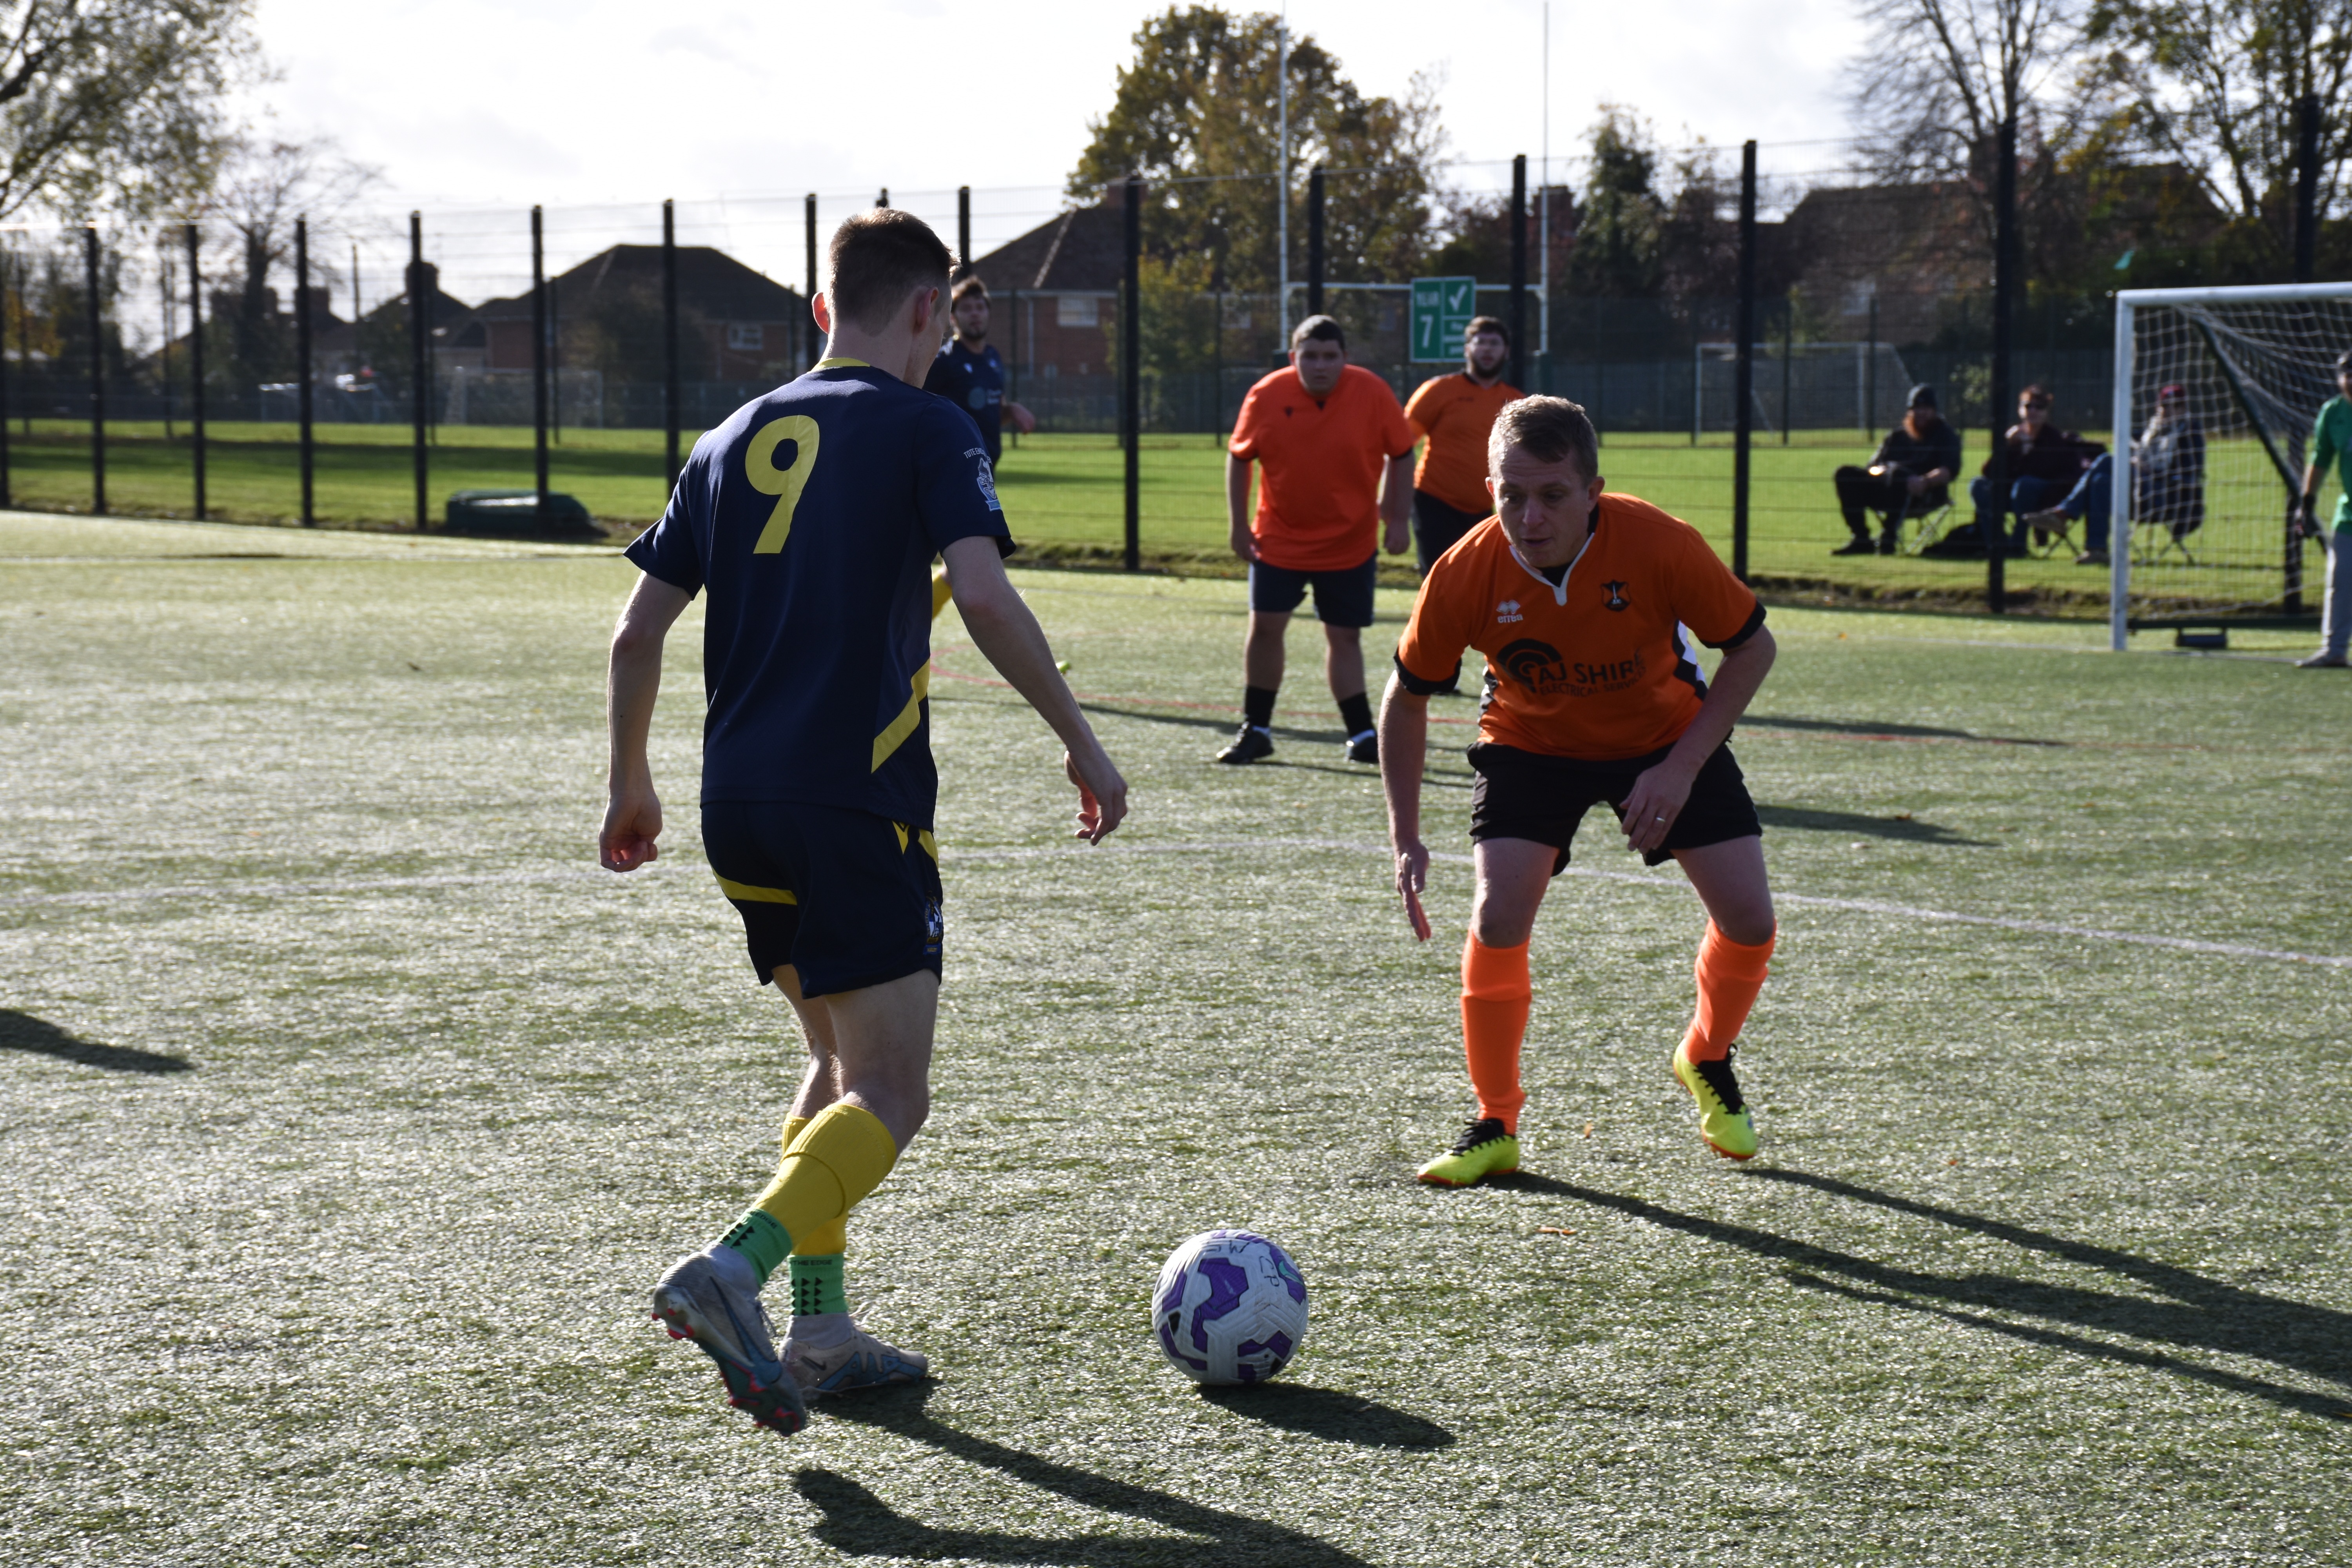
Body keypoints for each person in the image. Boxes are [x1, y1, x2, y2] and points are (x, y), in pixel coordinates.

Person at [601, 208, 1129, 1437]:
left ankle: (824, 1333)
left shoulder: (727, 436)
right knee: (892, 1090)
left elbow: (636, 632)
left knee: (835, 1063)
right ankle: (732, 1267)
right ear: (929, 311)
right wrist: (1080, 738)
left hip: (737, 804)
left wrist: (630, 782)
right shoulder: (929, 423)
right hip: (854, 800)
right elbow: (983, 594)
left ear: (821, 307)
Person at [1379, 395, 1779, 1185]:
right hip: (1531, 743)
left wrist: (1679, 768)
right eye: (1511, 495)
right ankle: (1495, 1121)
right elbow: (1407, 697)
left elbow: (1752, 648)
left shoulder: (1659, 542)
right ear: (1490, 490)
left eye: (1553, 495)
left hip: (1664, 735)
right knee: (1498, 916)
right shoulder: (1464, 569)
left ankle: (1705, 1055)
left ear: (1594, 490)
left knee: (1751, 920)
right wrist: (1405, 835)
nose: (1530, 517)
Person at [1217, 314, 1416, 766]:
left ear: (1346, 357)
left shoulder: (1373, 392)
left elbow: (1403, 453)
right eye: (1310, 356)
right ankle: (1256, 728)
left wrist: (1398, 517)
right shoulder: (1266, 394)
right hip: (1278, 538)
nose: (1320, 365)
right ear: (1294, 358)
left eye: (1330, 356)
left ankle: (1362, 734)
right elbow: (1239, 457)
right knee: (1266, 628)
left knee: (1344, 636)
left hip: (1350, 540)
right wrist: (1238, 525)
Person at [2019, 382, 2204, 567]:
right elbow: (2134, 448)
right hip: (2137, 488)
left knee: (2107, 461)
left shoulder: (2190, 433)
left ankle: (2064, 513)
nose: (2169, 410)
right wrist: (2136, 461)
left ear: (2184, 408)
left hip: (2165, 495)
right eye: (2164, 405)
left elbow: (2190, 473)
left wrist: (2152, 470)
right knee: (2101, 481)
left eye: (2176, 405)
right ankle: (2097, 550)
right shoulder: (2151, 430)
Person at [1404, 316, 1523, 575]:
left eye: (1494, 343)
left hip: (1486, 507)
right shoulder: (1438, 390)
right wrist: (1393, 504)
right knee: (1440, 576)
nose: (1487, 349)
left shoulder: (1516, 401)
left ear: (1506, 351)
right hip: (1434, 502)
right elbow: (1400, 446)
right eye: (1481, 342)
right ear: (1467, 349)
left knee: (1477, 580)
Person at [1960, 384, 2101, 553]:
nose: (2033, 411)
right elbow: (1989, 473)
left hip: (2042, 496)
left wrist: (2028, 449)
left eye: (2039, 407)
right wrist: (2006, 446)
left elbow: (2044, 472)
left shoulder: (2053, 438)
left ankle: (2018, 545)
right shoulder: (2015, 436)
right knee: (1978, 484)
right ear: (2020, 409)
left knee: (2025, 485)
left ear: (2046, 412)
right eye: (2028, 406)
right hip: (2009, 493)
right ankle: (1997, 543)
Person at [1830, 383, 1961, 555]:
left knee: (1899, 475)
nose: (1921, 413)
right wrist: (1883, 471)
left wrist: (1925, 481)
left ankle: (1888, 538)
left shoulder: (1946, 436)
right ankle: (1861, 539)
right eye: (1916, 409)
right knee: (1845, 474)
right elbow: (1873, 467)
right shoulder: (1897, 436)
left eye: (1926, 408)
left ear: (1934, 411)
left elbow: (1948, 471)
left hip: (1924, 495)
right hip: (1885, 490)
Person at [924, 274, 1036, 466]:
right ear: (953, 318)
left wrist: (1011, 410)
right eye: (967, 309)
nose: (975, 314)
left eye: (980, 308)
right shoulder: (944, 362)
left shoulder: (993, 357)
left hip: (987, 468)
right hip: (955, 468)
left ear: (989, 313)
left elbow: (990, 414)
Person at [2294, 350, 2352, 668]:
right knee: (2340, 579)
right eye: (2347, 375)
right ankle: (2335, 650)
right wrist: (2307, 505)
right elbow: (2321, 459)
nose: (2350, 381)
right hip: (2350, 515)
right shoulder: (2333, 413)